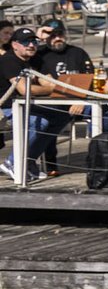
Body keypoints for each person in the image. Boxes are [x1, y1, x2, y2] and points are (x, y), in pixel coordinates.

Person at [1, 28, 82, 183]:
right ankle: (13, 161)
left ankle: (28, 161)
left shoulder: (36, 59)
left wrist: (48, 87)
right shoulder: (8, 60)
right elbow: (25, 90)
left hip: (31, 104)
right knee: (39, 122)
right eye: (26, 42)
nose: (31, 45)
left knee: (62, 115)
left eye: (34, 41)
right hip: (8, 106)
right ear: (15, 45)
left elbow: (49, 81)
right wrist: (49, 87)